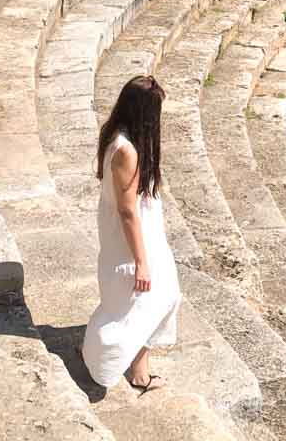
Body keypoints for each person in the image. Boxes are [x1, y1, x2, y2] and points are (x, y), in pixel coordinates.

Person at [82, 75, 180, 392]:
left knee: (137, 301)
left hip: (135, 228)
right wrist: (141, 261)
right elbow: (127, 210)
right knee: (144, 299)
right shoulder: (127, 151)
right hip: (132, 237)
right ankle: (120, 364)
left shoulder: (114, 134)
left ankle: (136, 364)